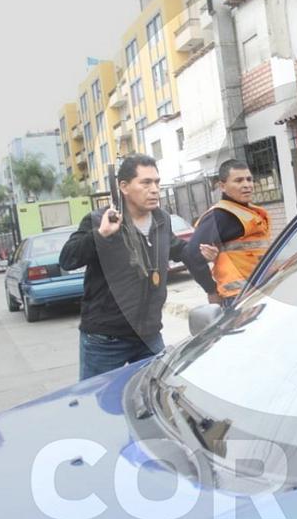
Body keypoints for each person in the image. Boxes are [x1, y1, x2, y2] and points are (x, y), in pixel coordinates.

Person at [60, 154, 206, 380]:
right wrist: (101, 234)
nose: (154, 189)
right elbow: (68, 259)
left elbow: (175, 247)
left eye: (157, 182)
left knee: (158, 392)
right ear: (124, 187)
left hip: (148, 334)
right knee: (98, 398)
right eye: (146, 183)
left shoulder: (161, 219)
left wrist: (199, 251)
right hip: (105, 340)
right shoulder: (99, 220)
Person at [186, 160, 271, 308]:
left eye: (249, 179)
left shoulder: (252, 212)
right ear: (222, 186)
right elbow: (191, 255)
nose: (247, 185)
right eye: (238, 180)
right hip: (238, 298)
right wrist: (211, 290)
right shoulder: (219, 215)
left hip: (260, 291)